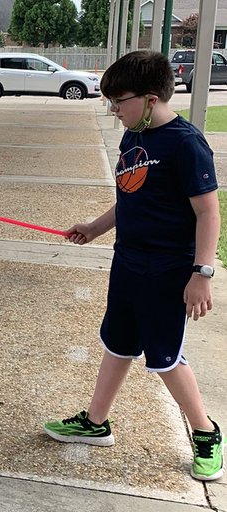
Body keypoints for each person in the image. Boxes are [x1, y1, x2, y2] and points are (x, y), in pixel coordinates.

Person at [43, 49, 222, 482]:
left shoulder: (186, 144)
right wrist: (96, 227)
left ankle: (206, 433)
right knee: (119, 342)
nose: (114, 110)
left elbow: (209, 214)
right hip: (128, 261)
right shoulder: (133, 137)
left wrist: (202, 273)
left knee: (163, 357)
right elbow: (129, 198)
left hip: (168, 269)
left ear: (149, 98)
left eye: (118, 101)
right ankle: (96, 422)